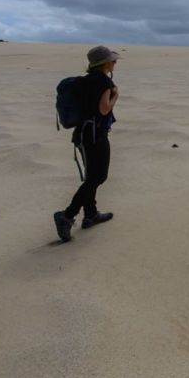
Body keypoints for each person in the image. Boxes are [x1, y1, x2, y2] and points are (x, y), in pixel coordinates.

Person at [53, 45, 120, 242]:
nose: (115, 63)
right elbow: (104, 109)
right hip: (95, 136)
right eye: (113, 60)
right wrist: (115, 95)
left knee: (91, 176)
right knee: (99, 176)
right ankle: (67, 215)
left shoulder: (85, 80)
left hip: (82, 135)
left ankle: (90, 214)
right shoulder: (103, 81)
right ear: (105, 63)